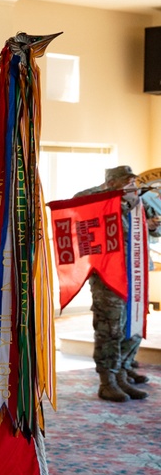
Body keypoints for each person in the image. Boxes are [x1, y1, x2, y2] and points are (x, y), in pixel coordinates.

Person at [76, 165, 155, 402]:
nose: (129, 184)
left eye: (132, 180)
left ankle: (122, 372)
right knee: (110, 327)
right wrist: (112, 194)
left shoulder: (137, 199)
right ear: (110, 182)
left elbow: (154, 226)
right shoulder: (97, 197)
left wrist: (154, 224)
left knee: (133, 323)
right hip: (107, 273)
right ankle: (107, 381)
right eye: (124, 181)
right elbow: (77, 202)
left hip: (136, 272)